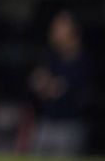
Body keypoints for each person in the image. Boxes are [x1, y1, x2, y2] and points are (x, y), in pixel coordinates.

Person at [28, 10, 92, 156]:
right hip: (46, 123)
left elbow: (59, 89)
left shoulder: (82, 61)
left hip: (69, 127)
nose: (54, 32)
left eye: (60, 27)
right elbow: (36, 82)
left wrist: (49, 86)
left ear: (73, 31)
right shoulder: (51, 57)